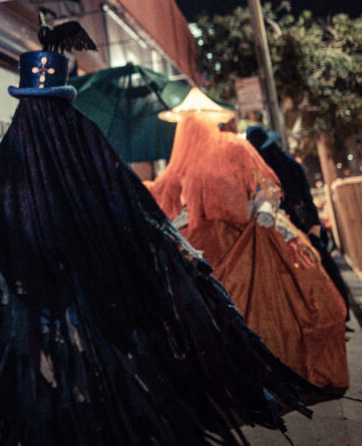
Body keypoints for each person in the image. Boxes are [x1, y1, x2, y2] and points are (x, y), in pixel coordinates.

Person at [0, 25, 309, 446]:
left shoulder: (15, 147)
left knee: (54, 401)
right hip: (91, 297)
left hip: (34, 304)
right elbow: (127, 204)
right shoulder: (79, 136)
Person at [146, 113, 348, 390]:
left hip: (249, 232)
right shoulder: (186, 165)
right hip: (214, 237)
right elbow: (169, 201)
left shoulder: (231, 147)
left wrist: (263, 208)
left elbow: (264, 184)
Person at [245, 125, 351, 317]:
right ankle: (337, 312)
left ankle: (334, 312)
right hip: (299, 226)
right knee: (320, 267)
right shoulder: (287, 167)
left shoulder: (270, 172)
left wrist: (313, 226)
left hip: (295, 227)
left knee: (315, 269)